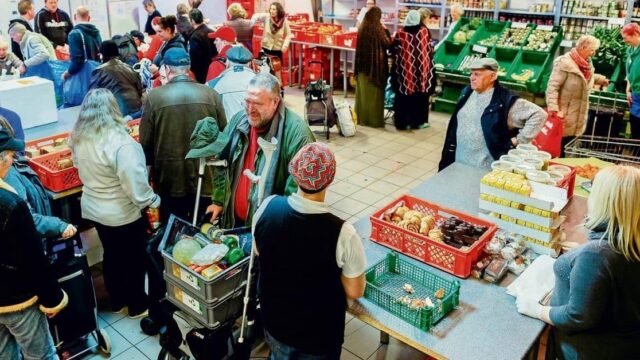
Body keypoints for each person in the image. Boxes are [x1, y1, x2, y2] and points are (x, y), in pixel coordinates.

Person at [253, 142, 366, 359]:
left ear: (295, 175)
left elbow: (260, 250)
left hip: (275, 325)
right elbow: (355, 291)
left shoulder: (267, 207)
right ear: (330, 180)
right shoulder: (343, 233)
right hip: (317, 339)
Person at [516, 165, 640, 360]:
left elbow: (578, 316)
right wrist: (577, 256)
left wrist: (538, 310)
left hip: (587, 350)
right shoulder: (630, 242)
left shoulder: (597, 255)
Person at [70, 89, 159, 318]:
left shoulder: (79, 137)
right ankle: (137, 305)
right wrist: (154, 200)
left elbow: (78, 166)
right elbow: (135, 186)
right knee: (134, 258)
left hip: (94, 208)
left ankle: (117, 300)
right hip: (121, 212)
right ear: (114, 109)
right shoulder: (121, 143)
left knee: (112, 255)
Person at [207, 73, 314, 228]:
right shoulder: (239, 121)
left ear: (275, 102)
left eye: (257, 103)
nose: (250, 110)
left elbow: (296, 195)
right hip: (234, 221)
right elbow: (222, 163)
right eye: (247, 102)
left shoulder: (297, 135)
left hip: (269, 229)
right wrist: (218, 200)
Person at [0, 128, 68, 360]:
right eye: (8, 154)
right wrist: (53, 299)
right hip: (18, 300)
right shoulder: (11, 203)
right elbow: (33, 259)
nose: (11, 159)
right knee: (41, 355)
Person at [140, 47, 226, 223]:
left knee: (173, 231)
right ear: (188, 68)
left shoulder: (154, 97)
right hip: (204, 175)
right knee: (204, 229)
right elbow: (223, 135)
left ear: (167, 69)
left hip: (169, 178)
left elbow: (146, 143)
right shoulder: (211, 94)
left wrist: (147, 175)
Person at [439, 58, 546, 171]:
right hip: (459, 162)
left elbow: (539, 115)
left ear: (492, 77)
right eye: (471, 74)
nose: (472, 78)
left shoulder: (505, 101)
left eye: (477, 74)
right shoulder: (468, 92)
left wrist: (519, 140)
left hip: (485, 169)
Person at [0, 118, 76, 240]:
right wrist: (59, 226)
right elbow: (27, 219)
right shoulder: (9, 177)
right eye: (10, 154)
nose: (13, 157)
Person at [546, 35, 609, 155]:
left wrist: (600, 79)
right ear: (583, 47)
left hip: (578, 114)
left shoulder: (586, 64)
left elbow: (583, 80)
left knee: (568, 146)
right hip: (563, 114)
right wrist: (554, 109)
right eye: (592, 50)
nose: (593, 53)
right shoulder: (564, 63)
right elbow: (552, 87)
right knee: (557, 148)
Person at [390, 10, 435, 130]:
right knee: (420, 96)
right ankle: (419, 122)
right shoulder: (424, 31)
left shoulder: (400, 33)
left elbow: (394, 50)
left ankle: (403, 123)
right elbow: (430, 49)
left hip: (405, 72)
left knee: (404, 97)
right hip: (422, 72)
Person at [354, 6, 391, 128]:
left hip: (362, 69)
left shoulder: (362, 27)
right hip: (375, 70)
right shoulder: (378, 28)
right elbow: (387, 43)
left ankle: (361, 119)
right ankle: (374, 121)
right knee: (374, 96)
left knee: (363, 95)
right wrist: (387, 31)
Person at [89, 40, 144, 118]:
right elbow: (140, 90)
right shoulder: (129, 68)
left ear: (102, 55)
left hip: (115, 115)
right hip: (137, 112)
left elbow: (92, 98)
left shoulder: (99, 71)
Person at [208, 45, 256, 120]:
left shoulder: (214, 84)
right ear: (249, 63)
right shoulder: (261, 82)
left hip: (227, 130)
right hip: (254, 129)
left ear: (228, 62)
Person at [61, 6, 102, 81]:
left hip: (83, 76)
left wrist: (67, 74)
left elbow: (77, 60)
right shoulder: (97, 32)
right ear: (89, 18)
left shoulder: (74, 34)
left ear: (74, 17)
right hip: (97, 74)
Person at [187, 8, 214, 84]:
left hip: (200, 75)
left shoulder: (195, 37)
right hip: (212, 70)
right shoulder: (212, 32)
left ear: (192, 21)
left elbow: (194, 59)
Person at [623, 22, 640, 139]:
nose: (624, 41)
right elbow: (629, 73)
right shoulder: (630, 50)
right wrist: (628, 90)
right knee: (635, 129)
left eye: (625, 38)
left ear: (634, 34)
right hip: (635, 96)